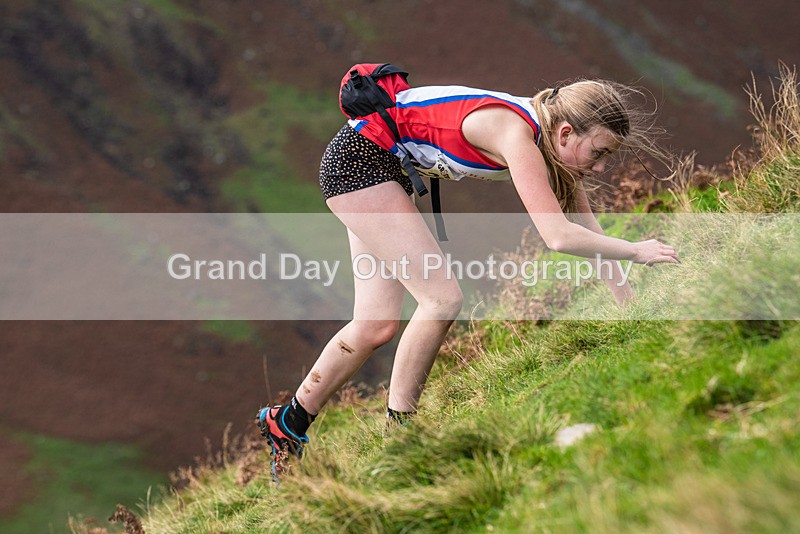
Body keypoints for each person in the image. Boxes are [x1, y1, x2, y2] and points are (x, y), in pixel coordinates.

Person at [257, 77, 681, 478]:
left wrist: (630, 307)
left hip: (377, 163)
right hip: (359, 165)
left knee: (375, 324)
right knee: (441, 299)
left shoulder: (550, 138)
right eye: (599, 153)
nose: (602, 168)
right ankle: (402, 434)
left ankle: (288, 422)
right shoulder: (517, 137)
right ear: (567, 134)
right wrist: (638, 252)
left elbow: (586, 229)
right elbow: (558, 236)